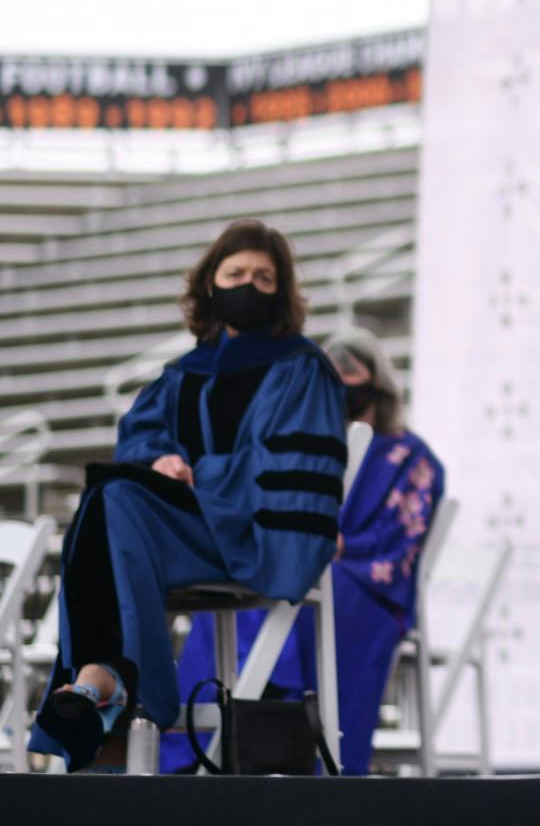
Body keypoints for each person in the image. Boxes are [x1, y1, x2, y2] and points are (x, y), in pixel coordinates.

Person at [29, 219, 346, 771]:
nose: (249, 285)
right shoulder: (183, 373)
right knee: (112, 495)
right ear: (210, 284)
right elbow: (142, 437)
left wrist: (200, 475)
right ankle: (109, 682)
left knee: (114, 498)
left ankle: (115, 696)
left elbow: (284, 471)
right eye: (236, 273)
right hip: (194, 532)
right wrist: (160, 461)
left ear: (281, 293)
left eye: (264, 278)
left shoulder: (303, 369)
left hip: (257, 535)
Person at [161, 329, 444, 774]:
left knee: (308, 588)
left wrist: (338, 545)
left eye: (352, 378)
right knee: (242, 586)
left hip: (367, 583)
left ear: (378, 386)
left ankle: (289, 724)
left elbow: (399, 544)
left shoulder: (412, 457)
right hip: (309, 563)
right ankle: (205, 738)